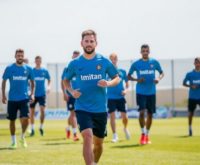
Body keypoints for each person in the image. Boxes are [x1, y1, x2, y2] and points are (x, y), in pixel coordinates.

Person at [63, 30, 120, 165]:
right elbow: (66, 80)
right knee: (87, 136)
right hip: (82, 107)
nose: (89, 44)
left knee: (98, 145)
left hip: (100, 109)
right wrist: (71, 91)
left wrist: (108, 83)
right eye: (86, 41)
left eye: (91, 41)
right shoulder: (74, 63)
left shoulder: (104, 61)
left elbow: (117, 77)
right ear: (81, 43)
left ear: (96, 43)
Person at [128, 44, 164, 145]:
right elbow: (129, 76)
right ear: (141, 52)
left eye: (146, 51)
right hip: (140, 92)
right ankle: (143, 134)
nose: (145, 52)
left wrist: (158, 78)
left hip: (151, 92)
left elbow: (162, 73)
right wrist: (137, 79)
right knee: (141, 112)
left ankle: (147, 134)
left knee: (150, 114)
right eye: (143, 51)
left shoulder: (154, 62)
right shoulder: (136, 64)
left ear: (149, 51)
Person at [1, 49, 35, 149]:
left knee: (26, 119)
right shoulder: (9, 68)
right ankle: (13, 141)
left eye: (21, 55)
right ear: (15, 56)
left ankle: (22, 136)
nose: (20, 57)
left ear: (23, 56)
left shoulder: (28, 68)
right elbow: (3, 82)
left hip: (24, 98)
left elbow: (33, 82)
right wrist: (3, 95)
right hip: (12, 99)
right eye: (18, 55)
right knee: (12, 121)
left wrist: (32, 94)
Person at [107, 53, 130, 142]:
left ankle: (125, 128)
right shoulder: (106, 72)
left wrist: (125, 91)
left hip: (120, 97)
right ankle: (115, 135)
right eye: (111, 59)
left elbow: (127, 86)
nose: (113, 60)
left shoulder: (122, 71)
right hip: (110, 98)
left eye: (115, 58)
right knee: (112, 116)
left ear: (117, 59)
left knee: (125, 117)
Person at [29, 56, 51, 136]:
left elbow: (49, 79)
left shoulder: (44, 71)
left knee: (42, 111)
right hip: (33, 94)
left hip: (42, 94)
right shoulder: (32, 71)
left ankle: (41, 127)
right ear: (35, 61)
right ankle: (32, 129)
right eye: (36, 60)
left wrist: (49, 86)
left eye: (39, 60)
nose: (38, 62)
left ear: (41, 61)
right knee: (32, 112)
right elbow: (28, 81)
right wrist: (29, 90)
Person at [61, 51, 80, 141]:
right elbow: (63, 81)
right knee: (73, 114)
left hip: (80, 95)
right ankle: (75, 134)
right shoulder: (67, 68)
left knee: (74, 114)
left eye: (77, 57)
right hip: (71, 94)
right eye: (74, 56)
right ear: (72, 56)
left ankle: (68, 128)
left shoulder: (82, 68)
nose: (75, 58)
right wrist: (64, 93)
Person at [183, 58, 200, 136]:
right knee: (190, 113)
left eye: (199, 62)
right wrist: (191, 86)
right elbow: (184, 83)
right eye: (196, 62)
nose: (197, 64)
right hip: (192, 97)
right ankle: (190, 128)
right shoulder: (190, 74)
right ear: (194, 63)